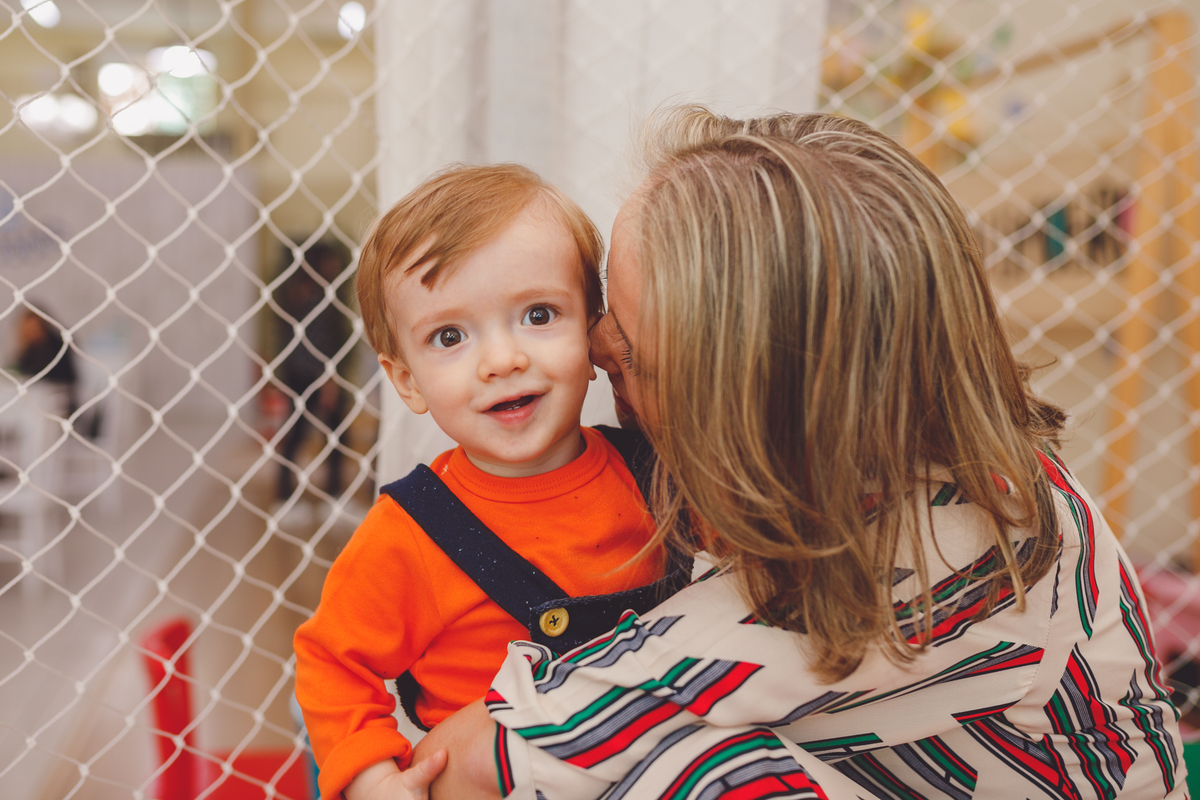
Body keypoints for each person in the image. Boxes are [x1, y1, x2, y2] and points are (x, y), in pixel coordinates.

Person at [409, 108, 1186, 799]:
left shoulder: (962, 541)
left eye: (637, 356)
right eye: (604, 308)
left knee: (692, 773)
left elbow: (493, 756)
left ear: (764, 409)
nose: (596, 347)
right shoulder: (832, 466)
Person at [292, 164, 691, 800]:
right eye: (450, 336)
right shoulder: (412, 533)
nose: (502, 360)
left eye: (539, 314)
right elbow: (333, 663)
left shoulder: (657, 473)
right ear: (408, 381)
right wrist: (371, 777)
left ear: (593, 335)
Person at [274, 240, 355, 504]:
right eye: (329, 260)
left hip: (296, 374)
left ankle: (284, 491)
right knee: (336, 435)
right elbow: (321, 343)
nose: (335, 265)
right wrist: (328, 381)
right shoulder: (319, 297)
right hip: (317, 376)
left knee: (297, 432)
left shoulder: (294, 294)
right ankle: (333, 492)